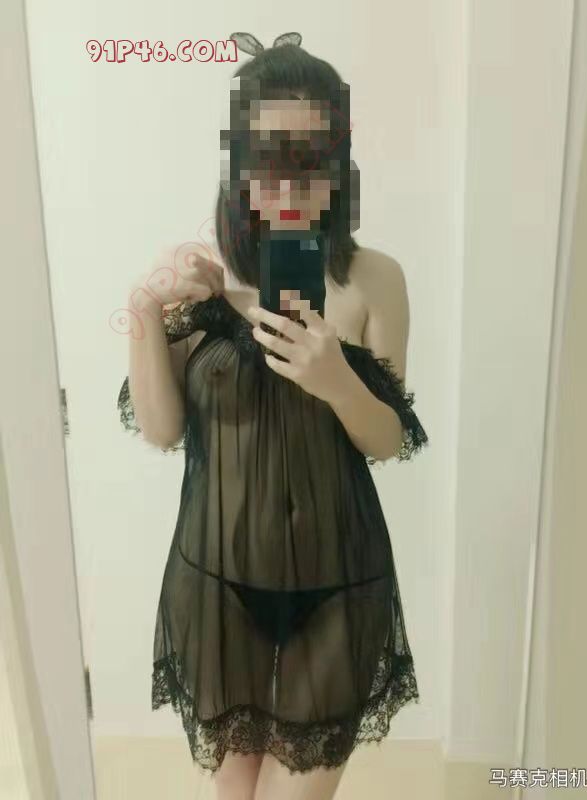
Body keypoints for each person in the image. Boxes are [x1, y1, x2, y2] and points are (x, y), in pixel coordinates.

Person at [118, 31, 429, 800]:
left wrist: (338, 381)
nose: (289, 177)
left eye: (310, 154)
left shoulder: (374, 281)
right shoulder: (206, 282)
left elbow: (387, 441)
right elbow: (160, 429)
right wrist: (145, 311)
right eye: (268, 154)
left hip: (339, 585)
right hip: (217, 586)